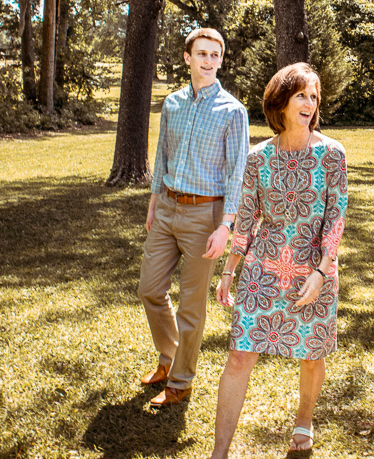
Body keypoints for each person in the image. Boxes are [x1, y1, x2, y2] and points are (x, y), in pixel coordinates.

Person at [210, 63, 348, 457]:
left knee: (310, 354)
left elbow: (336, 216)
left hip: (313, 271)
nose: (309, 103)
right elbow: (247, 217)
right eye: (301, 94)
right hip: (261, 272)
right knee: (238, 355)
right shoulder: (258, 157)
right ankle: (219, 452)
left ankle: (304, 420)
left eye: (314, 96)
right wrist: (230, 270)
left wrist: (322, 271)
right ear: (282, 101)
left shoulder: (332, 154)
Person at [137, 28, 249, 408]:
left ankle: (181, 380)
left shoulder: (233, 111)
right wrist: (154, 203)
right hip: (167, 208)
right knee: (149, 289)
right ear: (187, 58)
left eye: (215, 55)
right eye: (201, 54)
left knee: (191, 304)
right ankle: (169, 357)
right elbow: (162, 155)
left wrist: (225, 226)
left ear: (220, 59)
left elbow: (238, 172)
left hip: (206, 214)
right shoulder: (172, 103)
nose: (208, 61)